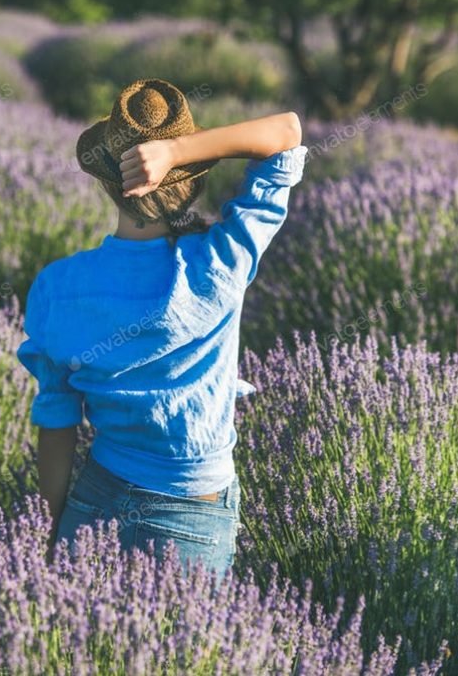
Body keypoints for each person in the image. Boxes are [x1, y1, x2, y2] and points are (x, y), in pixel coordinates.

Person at [17, 78, 307, 582]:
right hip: (192, 510)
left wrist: (47, 533)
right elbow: (286, 132)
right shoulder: (220, 260)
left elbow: (56, 422)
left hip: (95, 503)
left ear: (107, 184)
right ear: (192, 180)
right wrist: (179, 149)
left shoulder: (57, 285)